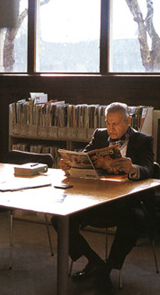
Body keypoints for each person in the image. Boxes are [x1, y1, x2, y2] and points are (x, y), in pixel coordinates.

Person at [52, 102, 154, 295]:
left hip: (125, 202)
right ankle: (96, 262)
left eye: (115, 124)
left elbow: (149, 169)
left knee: (137, 219)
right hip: (95, 199)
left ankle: (108, 267)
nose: (110, 129)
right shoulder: (99, 135)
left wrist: (132, 168)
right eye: (108, 123)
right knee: (59, 219)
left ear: (128, 121)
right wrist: (70, 164)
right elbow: (84, 156)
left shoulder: (143, 140)